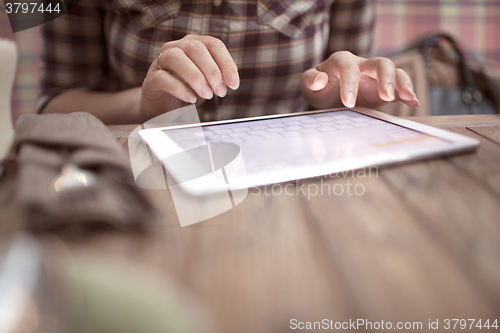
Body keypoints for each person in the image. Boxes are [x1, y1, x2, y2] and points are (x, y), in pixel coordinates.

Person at [38, 0, 419, 124]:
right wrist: (145, 106)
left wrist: (335, 90)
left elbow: (338, 87)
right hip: (137, 181)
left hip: (298, 188)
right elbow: (52, 106)